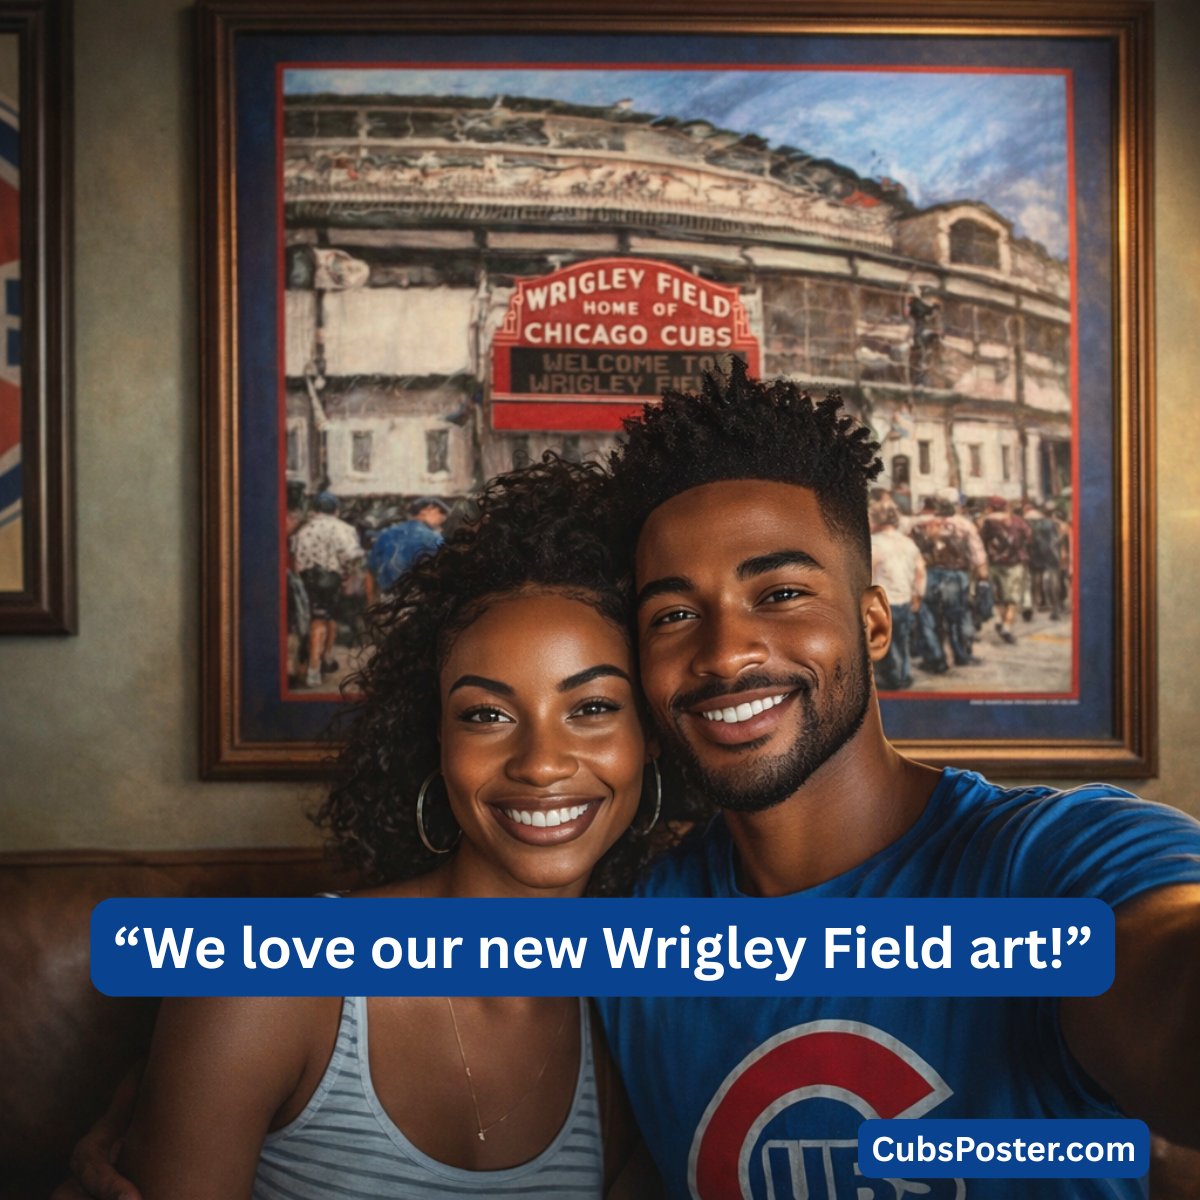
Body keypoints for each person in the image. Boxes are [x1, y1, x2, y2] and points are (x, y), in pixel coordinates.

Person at [595, 362, 1200, 1199]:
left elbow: (1165, 980)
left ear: (874, 623)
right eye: (673, 614)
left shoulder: (1054, 863)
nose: (726, 653)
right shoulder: (636, 936)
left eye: (780, 592)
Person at [88, 459, 675, 1200]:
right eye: (486, 714)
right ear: (437, 740)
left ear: (651, 738)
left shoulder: (629, 1022)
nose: (541, 763)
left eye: (592, 708)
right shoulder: (262, 982)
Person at [291, 491, 365, 688]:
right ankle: (314, 669)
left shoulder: (303, 530)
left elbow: (296, 560)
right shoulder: (343, 528)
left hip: (307, 580)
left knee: (324, 619)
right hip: (331, 581)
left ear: (315, 509)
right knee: (321, 621)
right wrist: (349, 575)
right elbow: (352, 556)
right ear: (336, 510)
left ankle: (327, 658)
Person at [909, 487, 987, 672]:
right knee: (957, 617)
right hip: (956, 575)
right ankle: (962, 654)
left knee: (929, 618)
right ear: (956, 504)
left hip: (928, 574)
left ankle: (936, 658)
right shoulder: (964, 525)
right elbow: (977, 555)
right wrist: (982, 576)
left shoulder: (919, 524)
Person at [868, 506, 924, 690]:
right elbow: (920, 572)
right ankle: (904, 675)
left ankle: (891, 679)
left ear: (876, 521)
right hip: (904, 599)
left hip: (882, 602)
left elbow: (867, 574)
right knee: (902, 640)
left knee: (883, 642)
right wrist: (917, 595)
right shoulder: (908, 543)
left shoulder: (874, 543)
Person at [365, 494, 450, 605]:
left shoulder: (386, 535)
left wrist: (371, 602)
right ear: (426, 510)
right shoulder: (433, 538)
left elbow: (370, 572)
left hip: (387, 601)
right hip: (419, 601)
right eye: (440, 512)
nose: (443, 518)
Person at [979, 495, 1031, 644]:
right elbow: (1029, 536)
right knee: (1012, 599)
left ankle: (1001, 621)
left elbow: (981, 541)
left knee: (999, 597)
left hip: (994, 563)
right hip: (1015, 563)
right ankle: (1007, 627)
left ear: (991, 507)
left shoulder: (987, 522)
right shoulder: (1018, 520)